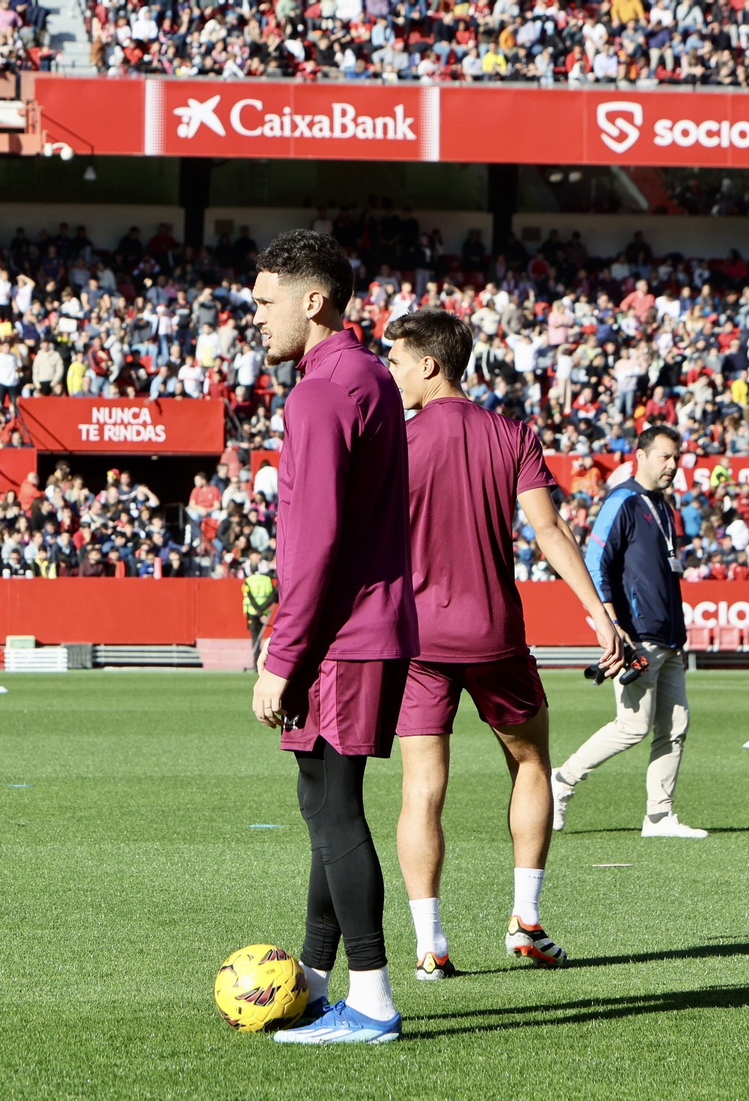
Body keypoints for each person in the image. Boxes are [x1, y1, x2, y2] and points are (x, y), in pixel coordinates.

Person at [382, 309, 622, 982]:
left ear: (430, 363)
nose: (391, 371)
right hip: (494, 637)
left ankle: (430, 945)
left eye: (397, 360)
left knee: (422, 789)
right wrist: (597, 615)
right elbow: (549, 531)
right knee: (532, 764)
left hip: (418, 640)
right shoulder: (511, 433)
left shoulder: (395, 442)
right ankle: (525, 920)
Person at [249, 230, 418, 1045]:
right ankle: (315, 977)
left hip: (341, 634)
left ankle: (375, 999)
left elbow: (312, 540)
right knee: (323, 803)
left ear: (312, 300)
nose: (255, 317)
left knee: (335, 808)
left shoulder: (319, 392)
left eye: (264, 300)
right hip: (366, 625)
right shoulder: (369, 375)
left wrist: (280, 657)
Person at [552, 425, 707, 839]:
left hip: (669, 636)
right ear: (641, 456)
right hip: (636, 634)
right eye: (666, 457)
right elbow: (595, 561)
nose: (674, 465)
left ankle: (659, 817)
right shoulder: (622, 501)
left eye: (677, 457)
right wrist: (613, 625)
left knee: (674, 727)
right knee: (632, 727)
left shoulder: (662, 506)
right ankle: (561, 782)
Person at [240, 550, 277, 663]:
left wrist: (258, 610)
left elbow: (249, 596)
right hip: (265, 612)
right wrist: (262, 611)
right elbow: (273, 596)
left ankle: (256, 661)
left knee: (255, 637)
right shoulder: (268, 581)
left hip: (252, 612)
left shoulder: (248, 580)